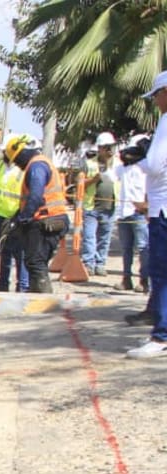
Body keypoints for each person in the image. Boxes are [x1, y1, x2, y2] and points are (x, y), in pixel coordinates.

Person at [126, 71, 167, 358]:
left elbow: (154, 166)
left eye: (155, 95)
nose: (154, 102)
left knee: (162, 272)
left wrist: (138, 157)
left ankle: (162, 335)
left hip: (163, 207)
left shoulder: (166, 122)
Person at [7, 135, 69, 294]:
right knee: (34, 261)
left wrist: (23, 218)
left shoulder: (37, 167)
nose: (17, 165)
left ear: (21, 153)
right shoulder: (39, 164)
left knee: (36, 262)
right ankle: (37, 296)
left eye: (16, 160)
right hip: (51, 218)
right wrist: (17, 216)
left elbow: (35, 196)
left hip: (46, 220)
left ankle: (44, 300)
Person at [0, 134, 31, 292]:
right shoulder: (1, 165)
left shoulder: (23, 169)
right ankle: (3, 284)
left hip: (16, 217)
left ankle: (22, 286)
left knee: (20, 254)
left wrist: (19, 216)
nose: (4, 155)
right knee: (4, 252)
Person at [81, 132, 119, 278]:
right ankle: (88, 265)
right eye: (107, 147)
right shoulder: (89, 164)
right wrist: (93, 179)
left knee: (104, 238)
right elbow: (79, 184)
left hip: (110, 207)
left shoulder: (119, 164)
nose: (110, 150)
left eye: (112, 147)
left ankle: (100, 264)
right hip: (91, 207)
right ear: (100, 148)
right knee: (90, 237)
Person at [115, 135, 149, 292]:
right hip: (123, 212)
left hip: (139, 212)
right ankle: (126, 279)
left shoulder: (146, 167)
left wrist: (146, 205)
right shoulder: (123, 168)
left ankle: (144, 280)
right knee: (126, 248)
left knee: (143, 247)